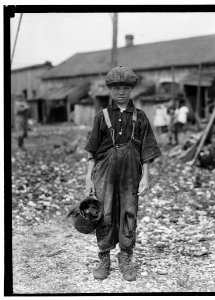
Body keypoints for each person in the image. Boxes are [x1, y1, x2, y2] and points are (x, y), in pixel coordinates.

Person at [84, 66, 161, 281]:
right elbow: (92, 149)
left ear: (131, 90)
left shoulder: (140, 116)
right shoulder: (102, 116)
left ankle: (126, 256)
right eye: (116, 88)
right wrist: (88, 178)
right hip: (104, 172)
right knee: (105, 212)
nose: (121, 92)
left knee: (129, 213)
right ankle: (104, 257)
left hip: (131, 173)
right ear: (110, 89)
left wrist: (146, 177)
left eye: (125, 88)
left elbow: (147, 150)